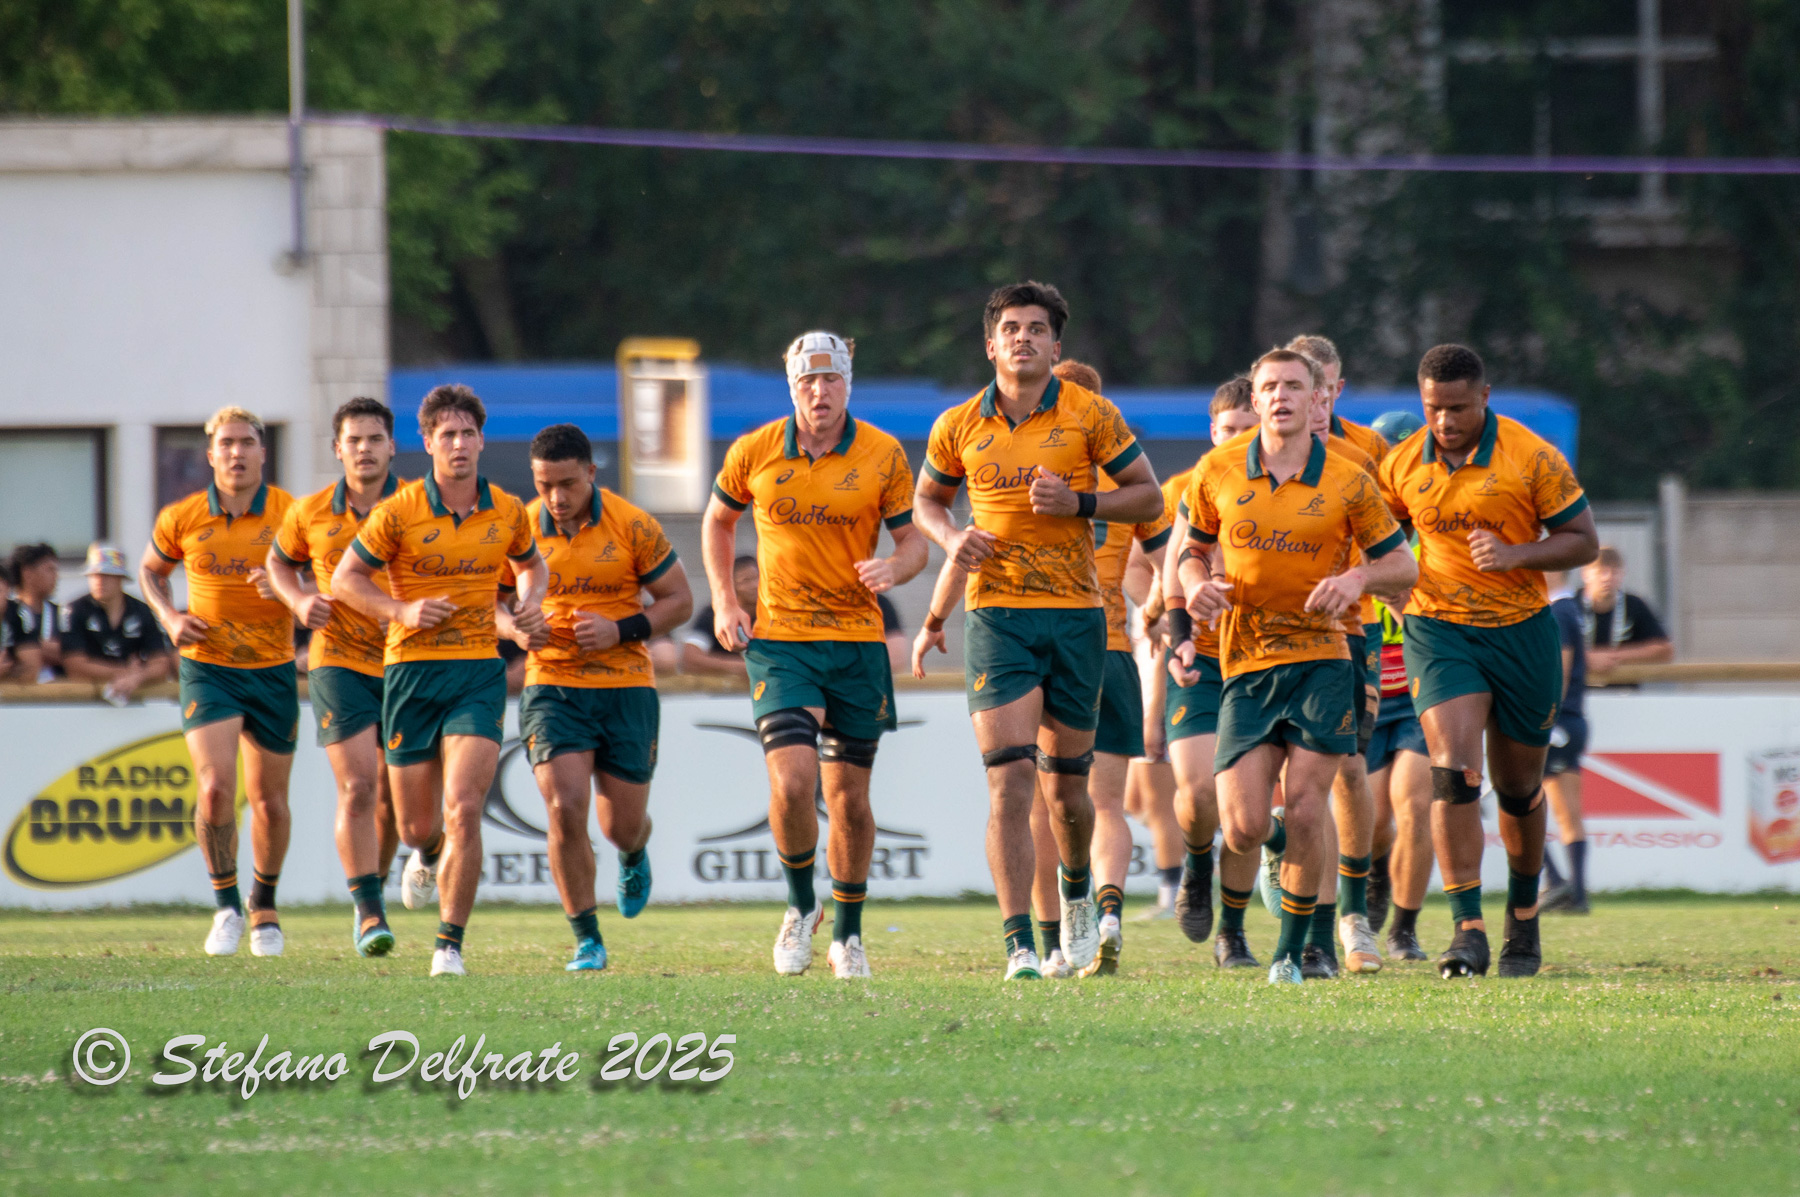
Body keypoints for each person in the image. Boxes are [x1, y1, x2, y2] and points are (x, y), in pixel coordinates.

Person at [912, 282, 1163, 981]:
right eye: (1011, 328)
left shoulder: (1092, 413)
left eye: (1037, 328)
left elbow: (1148, 496)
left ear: (1056, 345)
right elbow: (926, 500)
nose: (1023, 337)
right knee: (1009, 780)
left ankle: (1077, 894)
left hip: (1078, 618)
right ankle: (1019, 943)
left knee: (1068, 793)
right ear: (990, 345)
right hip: (997, 616)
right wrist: (950, 537)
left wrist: (1079, 501)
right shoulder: (958, 423)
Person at [1178, 348, 1416, 985]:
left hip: (1323, 659)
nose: (1281, 396)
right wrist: (1196, 584)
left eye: (1293, 386)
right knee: (1243, 826)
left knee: (1311, 807)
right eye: (1270, 387)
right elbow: (1191, 551)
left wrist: (1357, 578)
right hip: (1246, 664)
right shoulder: (1217, 469)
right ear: (1254, 399)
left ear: (1318, 399)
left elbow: (1404, 565)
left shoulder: (1349, 478)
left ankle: (1292, 954)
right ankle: (1282, 853)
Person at [703, 331, 927, 979]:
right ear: (792, 387)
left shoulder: (883, 453)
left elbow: (914, 543)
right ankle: (801, 906)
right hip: (782, 642)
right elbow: (718, 521)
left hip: (856, 644)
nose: (819, 392)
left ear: (847, 385)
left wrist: (894, 568)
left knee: (849, 799)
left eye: (831, 380)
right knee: (794, 781)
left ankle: (848, 933)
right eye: (808, 380)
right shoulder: (753, 450)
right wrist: (724, 601)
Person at [1377, 344, 1599, 979]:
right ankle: (1466, 928)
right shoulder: (1401, 463)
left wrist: (1515, 554)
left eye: (1458, 408)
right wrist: (1391, 581)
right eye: (1433, 408)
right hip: (1439, 630)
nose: (1444, 421)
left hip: (1521, 632)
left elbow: (1584, 542)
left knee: (1519, 788)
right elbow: (1381, 535)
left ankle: (1523, 918)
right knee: (1453, 772)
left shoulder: (1532, 456)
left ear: (1485, 396)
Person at [334, 384, 549, 978]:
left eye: (468, 433)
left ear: (482, 440)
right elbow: (346, 579)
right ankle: (426, 853)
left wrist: (529, 602)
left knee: (464, 807)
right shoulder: (397, 512)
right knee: (415, 825)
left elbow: (532, 565)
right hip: (410, 673)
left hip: (477, 671)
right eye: (447, 434)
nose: (459, 444)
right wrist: (400, 610)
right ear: (427, 443)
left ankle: (448, 945)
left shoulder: (507, 509)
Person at [511, 423, 693, 971]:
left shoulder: (633, 524)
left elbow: (680, 600)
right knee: (565, 807)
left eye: (567, 483)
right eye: (544, 485)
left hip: (625, 688)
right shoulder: (517, 529)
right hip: (552, 686)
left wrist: (621, 630)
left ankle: (635, 852)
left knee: (620, 827)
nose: (556, 497)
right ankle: (587, 938)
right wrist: (516, 628)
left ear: (591, 473)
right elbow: (489, 602)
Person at [138, 407, 298, 958]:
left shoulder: (292, 514)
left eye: (246, 442)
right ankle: (226, 905)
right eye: (226, 443)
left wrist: (288, 590)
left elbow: (328, 576)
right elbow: (150, 571)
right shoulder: (182, 516)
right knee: (213, 789)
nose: (236, 452)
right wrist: (169, 617)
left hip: (273, 669)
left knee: (269, 802)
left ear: (262, 452)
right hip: (209, 668)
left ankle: (265, 906)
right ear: (210, 455)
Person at [266, 397, 405, 957]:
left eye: (375, 439)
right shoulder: (309, 512)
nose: (364, 449)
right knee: (358, 785)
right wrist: (299, 600)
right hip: (339, 661)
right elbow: (278, 563)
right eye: (354, 440)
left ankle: (379, 880)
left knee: (396, 799)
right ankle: (368, 911)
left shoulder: (418, 506)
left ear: (393, 447)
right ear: (337, 449)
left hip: (407, 662)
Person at [1159, 378, 1266, 969]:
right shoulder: (1191, 486)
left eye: (1248, 429)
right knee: (1199, 793)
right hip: (1199, 658)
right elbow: (1171, 567)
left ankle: (1233, 931)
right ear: (1212, 431)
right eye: (1228, 429)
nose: (1237, 439)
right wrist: (1176, 634)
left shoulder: (1282, 486)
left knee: (1246, 812)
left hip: (1261, 661)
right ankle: (1197, 863)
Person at [1364, 408, 1432, 960]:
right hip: (1366, 687)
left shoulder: (1436, 527)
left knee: (1415, 807)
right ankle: (1373, 877)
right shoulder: (1356, 523)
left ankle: (1404, 929)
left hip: (1419, 688)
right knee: (1372, 821)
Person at [59, 544, 173, 704]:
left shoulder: (141, 610)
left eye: (107, 574)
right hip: (82, 700)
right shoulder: (74, 610)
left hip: (130, 698)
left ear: (121, 578)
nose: (99, 580)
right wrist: (127, 672)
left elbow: (161, 664)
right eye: (94, 575)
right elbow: (75, 666)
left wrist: (138, 677)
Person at [1541, 570, 1591, 914]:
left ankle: (1557, 881)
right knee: (1568, 812)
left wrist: (1544, 718)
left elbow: (1558, 671)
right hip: (1571, 721)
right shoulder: (1570, 609)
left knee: (1518, 801)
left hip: (1556, 723)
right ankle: (1577, 894)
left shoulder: (1558, 612)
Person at [1579, 546, 1673, 673]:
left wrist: (1613, 657)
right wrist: (1586, 659)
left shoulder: (1634, 605)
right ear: (1585, 574)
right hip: (1579, 685)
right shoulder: (1570, 606)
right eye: (1601, 572)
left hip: (1624, 685)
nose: (1607, 578)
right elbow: (1554, 651)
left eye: (1614, 572)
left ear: (1622, 574)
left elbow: (1664, 650)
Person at [682, 556, 758, 678]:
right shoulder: (715, 615)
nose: (755, 585)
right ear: (731, 586)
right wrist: (743, 666)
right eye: (745, 581)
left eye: (758, 578)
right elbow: (691, 657)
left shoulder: (774, 613)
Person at [4, 543, 63, 683]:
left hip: (60, 691)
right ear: (28, 574)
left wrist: (24, 649)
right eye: (50, 569)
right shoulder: (8, 613)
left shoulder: (63, 614)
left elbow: (73, 654)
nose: (56, 576)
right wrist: (42, 648)